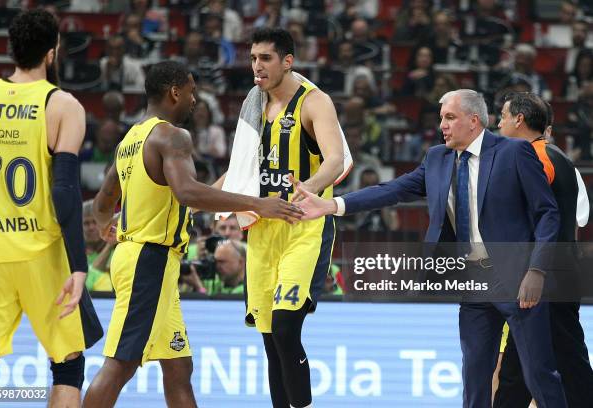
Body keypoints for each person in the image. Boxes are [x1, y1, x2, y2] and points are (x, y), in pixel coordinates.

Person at [296, 89, 568, 408]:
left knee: (538, 373)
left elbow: (547, 213)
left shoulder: (514, 152)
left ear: (474, 120)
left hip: (518, 277)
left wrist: (537, 269)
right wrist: (332, 204)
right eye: (442, 118)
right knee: (474, 376)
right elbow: (393, 190)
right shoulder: (437, 158)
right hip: (473, 283)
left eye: (450, 117)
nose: (443, 125)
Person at [83, 60, 302, 408]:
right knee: (120, 364)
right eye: (191, 92)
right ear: (174, 92)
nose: (195, 100)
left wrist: (106, 225)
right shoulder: (172, 136)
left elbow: (102, 199)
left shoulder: (131, 138)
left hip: (148, 259)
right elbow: (188, 192)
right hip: (148, 261)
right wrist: (259, 204)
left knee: (178, 365)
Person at [216, 28, 345, 408]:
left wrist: (309, 187)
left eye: (266, 58)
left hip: (304, 228)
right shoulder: (253, 106)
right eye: (253, 58)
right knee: (270, 338)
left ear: (288, 62)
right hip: (262, 231)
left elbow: (335, 159)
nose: (257, 66)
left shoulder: (314, 102)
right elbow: (239, 171)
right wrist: (196, 200)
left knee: (287, 327)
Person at [0, 9, 102, 405]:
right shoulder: (63, 104)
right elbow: (65, 191)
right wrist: (80, 266)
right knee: (67, 363)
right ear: (53, 53)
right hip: (41, 253)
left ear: (11, 50)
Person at [494, 93, 593, 407]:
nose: (499, 122)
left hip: (547, 274)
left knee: (567, 356)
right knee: (521, 360)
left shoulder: (533, 154)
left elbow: (534, 212)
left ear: (519, 120)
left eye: (503, 116)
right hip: (552, 270)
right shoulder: (553, 154)